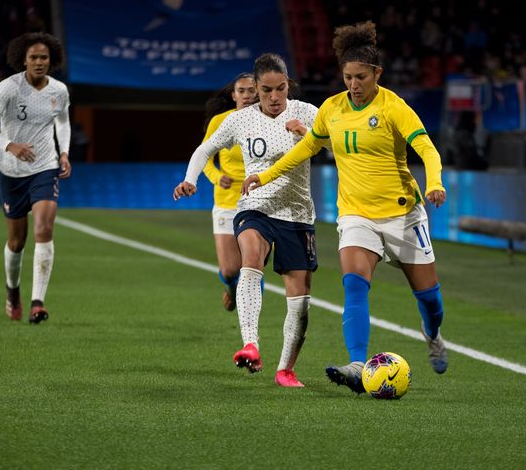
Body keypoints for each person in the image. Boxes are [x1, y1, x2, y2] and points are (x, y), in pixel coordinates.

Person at [242, 21, 449, 394]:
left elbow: (427, 149)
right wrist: (266, 175)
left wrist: (434, 182)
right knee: (353, 284)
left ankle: (431, 333)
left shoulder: (394, 108)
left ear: (377, 74)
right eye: (348, 77)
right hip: (356, 214)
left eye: (361, 77)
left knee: (429, 298)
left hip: (403, 214)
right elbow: (306, 148)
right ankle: (357, 363)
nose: (353, 84)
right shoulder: (332, 109)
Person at [174, 53, 319, 388]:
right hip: (254, 207)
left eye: (280, 89)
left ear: (288, 85)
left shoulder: (307, 112)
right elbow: (205, 149)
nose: (273, 97)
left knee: (299, 302)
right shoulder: (241, 120)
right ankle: (250, 344)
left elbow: (334, 144)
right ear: (255, 88)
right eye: (266, 89)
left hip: (297, 215)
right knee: (249, 259)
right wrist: (191, 179)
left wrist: (310, 135)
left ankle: (285, 369)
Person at [0, 32, 71, 324]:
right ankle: (13, 290)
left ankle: (37, 303)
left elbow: (63, 121)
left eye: (44, 57)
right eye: (34, 57)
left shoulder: (59, 91)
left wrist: (64, 153)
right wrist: (10, 145)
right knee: (16, 242)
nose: (39, 62)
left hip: (45, 166)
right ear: (23, 60)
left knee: (44, 228)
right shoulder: (8, 88)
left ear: (51, 60)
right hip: (11, 170)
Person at [199, 73, 257, 311]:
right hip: (227, 201)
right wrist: (216, 177)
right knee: (230, 269)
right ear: (233, 95)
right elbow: (203, 158)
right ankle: (231, 288)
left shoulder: (269, 122)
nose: (246, 95)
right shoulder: (220, 121)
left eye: (251, 90)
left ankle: (250, 323)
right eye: (241, 91)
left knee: (253, 267)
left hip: (258, 201)